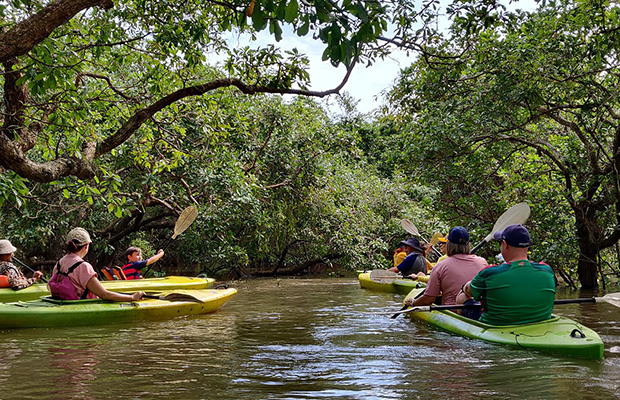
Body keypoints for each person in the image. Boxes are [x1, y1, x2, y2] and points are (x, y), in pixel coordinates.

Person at [460, 224, 556, 325]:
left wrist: (464, 287)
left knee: (463, 297)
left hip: (495, 325)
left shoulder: (490, 273)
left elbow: (468, 291)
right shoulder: (547, 270)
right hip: (538, 323)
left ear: (505, 244)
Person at [48, 228, 144, 301]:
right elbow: (104, 295)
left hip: (64, 304)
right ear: (86, 246)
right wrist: (132, 297)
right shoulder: (83, 266)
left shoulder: (59, 264)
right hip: (81, 308)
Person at [405, 227, 487, 307]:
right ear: (468, 245)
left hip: (452, 311)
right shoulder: (482, 262)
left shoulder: (440, 266)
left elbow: (428, 299)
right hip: (479, 312)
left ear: (449, 244)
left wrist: (413, 302)